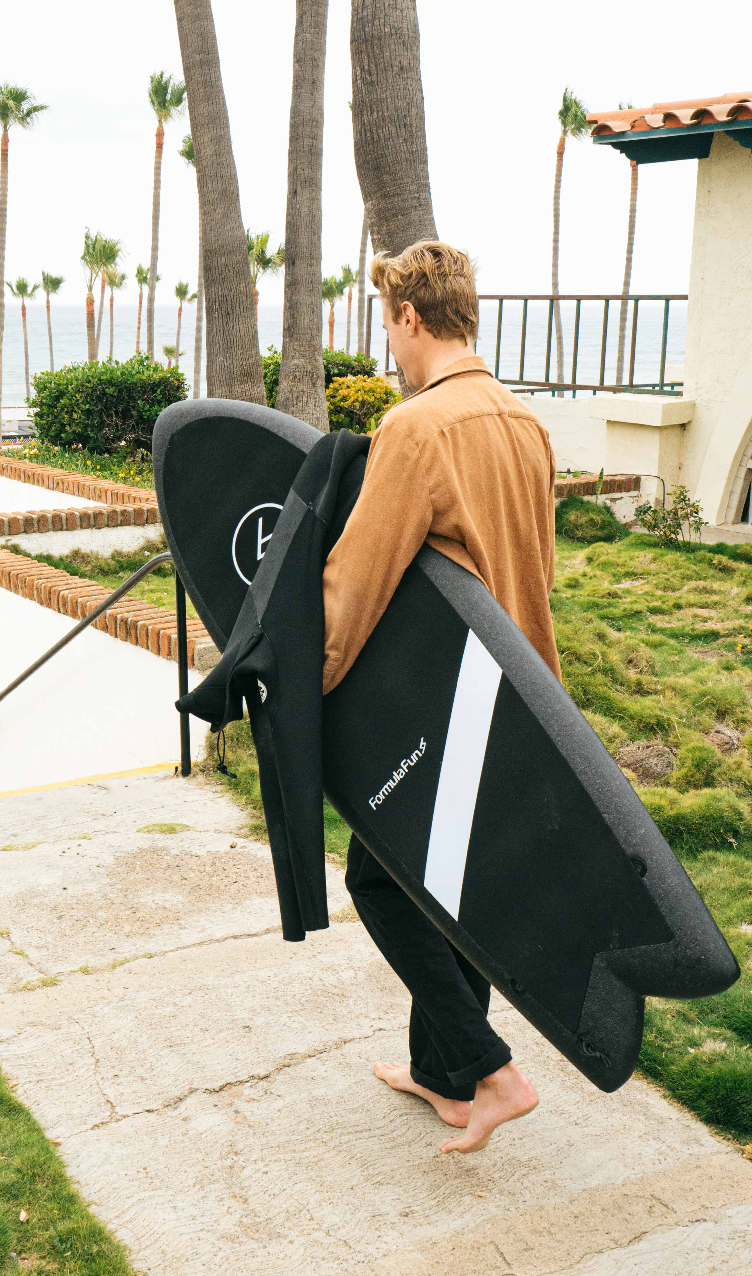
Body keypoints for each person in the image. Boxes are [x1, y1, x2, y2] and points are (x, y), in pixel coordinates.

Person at [322, 240, 560, 1154]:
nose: (388, 340)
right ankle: (443, 1077)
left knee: (379, 880)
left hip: (454, 707)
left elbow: (355, 584)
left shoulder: (414, 429)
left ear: (411, 318)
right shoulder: (522, 423)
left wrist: (301, 695)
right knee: (455, 891)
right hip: (529, 699)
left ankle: (492, 1070)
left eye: (388, 320)